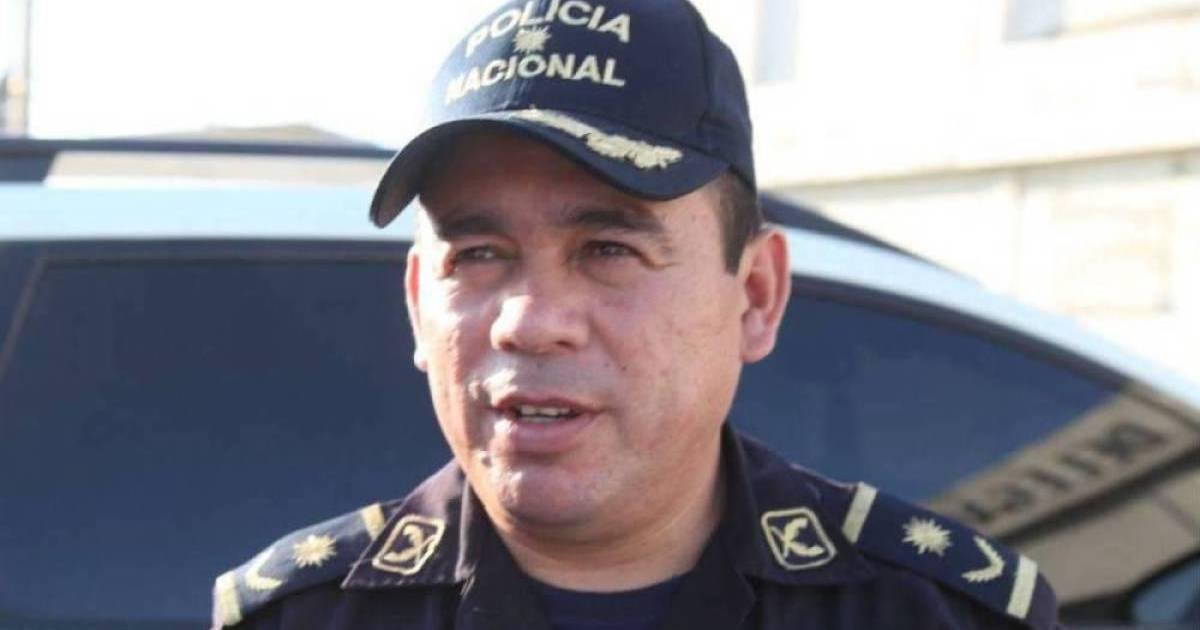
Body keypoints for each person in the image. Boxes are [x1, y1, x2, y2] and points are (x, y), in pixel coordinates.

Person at [211, 1, 1063, 628]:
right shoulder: (300, 617)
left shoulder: (932, 613)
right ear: (415, 304)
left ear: (755, 296)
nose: (528, 323)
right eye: (477, 255)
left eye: (607, 250)